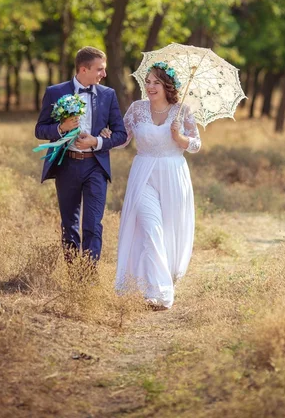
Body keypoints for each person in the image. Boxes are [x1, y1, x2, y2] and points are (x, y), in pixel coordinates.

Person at [113, 62, 201, 310]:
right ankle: (160, 292)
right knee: (151, 228)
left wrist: (179, 138)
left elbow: (196, 145)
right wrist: (105, 138)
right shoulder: (136, 109)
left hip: (173, 175)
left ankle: (156, 281)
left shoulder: (182, 111)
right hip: (143, 174)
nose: (150, 87)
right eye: (148, 81)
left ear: (167, 86)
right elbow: (123, 140)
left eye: (156, 82)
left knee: (169, 231)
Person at [35, 46, 127, 263]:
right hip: (66, 165)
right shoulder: (55, 92)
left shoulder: (108, 95)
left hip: (96, 165)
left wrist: (98, 141)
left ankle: (88, 275)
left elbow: (121, 134)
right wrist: (61, 127)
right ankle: (73, 275)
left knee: (93, 224)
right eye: (100, 69)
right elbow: (39, 130)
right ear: (83, 69)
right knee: (69, 224)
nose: (104, 74)